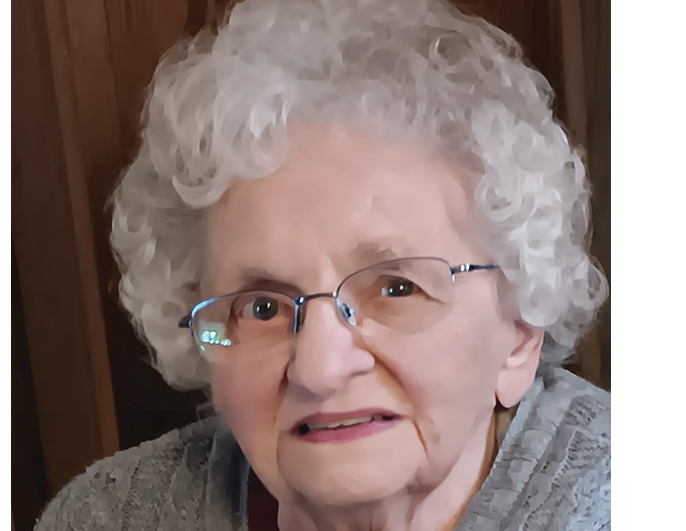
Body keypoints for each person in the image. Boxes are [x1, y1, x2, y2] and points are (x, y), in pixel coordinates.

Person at [36, 0, 610, 529]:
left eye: (397, 288)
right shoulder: (109, 518)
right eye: (261, 308)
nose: (318, 368)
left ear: (519, 332)